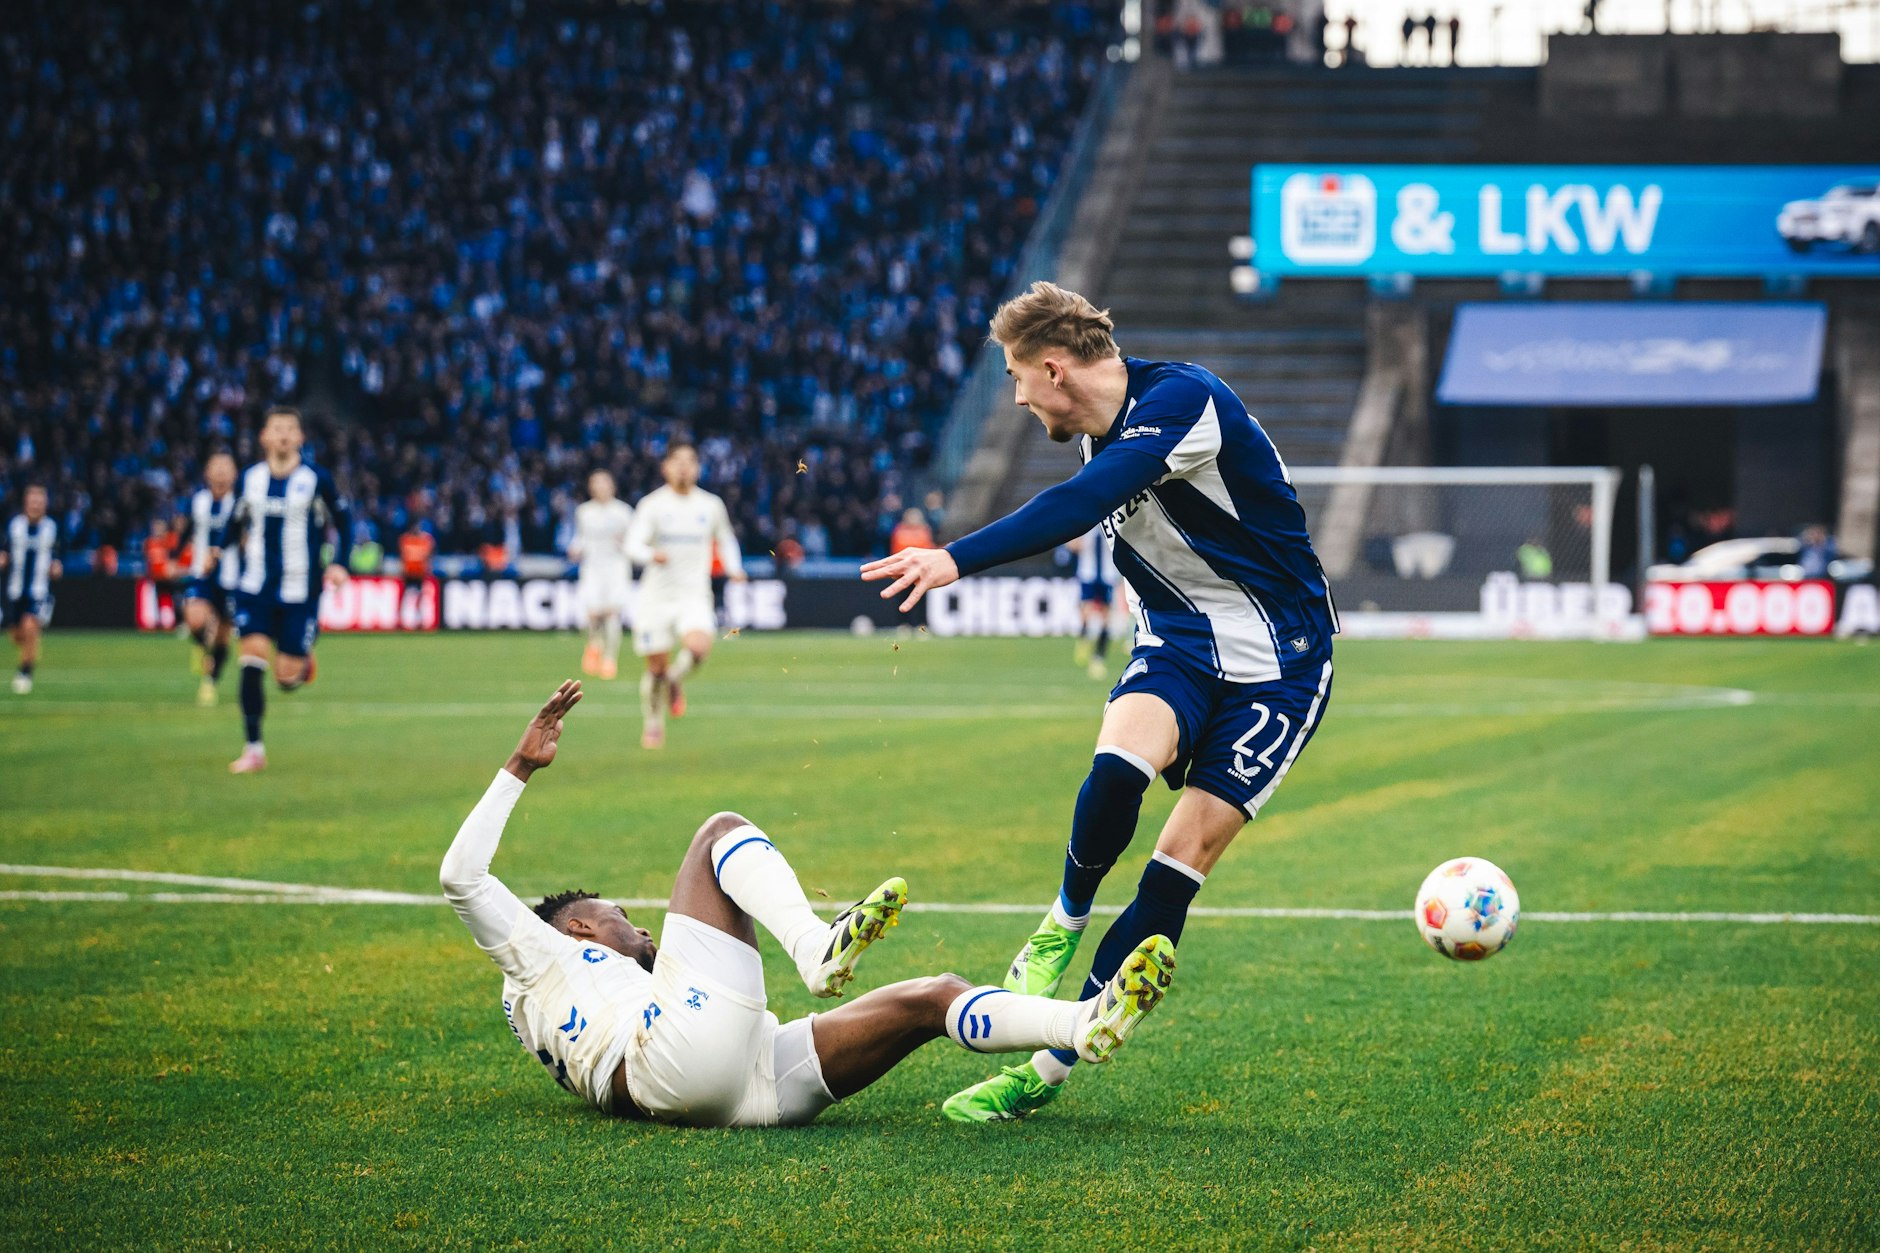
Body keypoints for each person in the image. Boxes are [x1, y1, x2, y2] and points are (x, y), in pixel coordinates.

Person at [863, 281, 1337, 1121]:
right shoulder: (1094, 429)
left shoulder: (1183, 400)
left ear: (1053, 368)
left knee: (1175, 866)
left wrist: (954, 558)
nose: (1013, 397)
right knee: (1117, 765)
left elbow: (1075, 508)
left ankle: (1042, 1067)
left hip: (1282, 662)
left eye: (1015, 376)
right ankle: (1062, 919)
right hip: (1181, 641)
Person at [440, 680, 1178, 1127]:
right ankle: (814, 947)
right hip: (667, 1055)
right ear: (576, 927)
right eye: (615, 916)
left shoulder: (553, 997)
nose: (634, 923)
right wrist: (519, 765)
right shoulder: (538, 957)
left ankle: (1082, 1023)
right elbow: (461, 876)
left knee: (931, 997)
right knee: (717, 834)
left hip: (738, 1079)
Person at [223, 406, 352, 774]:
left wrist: (340, 561)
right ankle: (253, 748)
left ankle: (302, 659)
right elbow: (235, 521)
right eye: (275, 428)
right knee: (251, 659)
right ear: (264, 437)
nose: (282, 435)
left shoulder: (316, 478)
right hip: (255, 586)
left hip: (301, 589)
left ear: (299, 438)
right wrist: (218, 549)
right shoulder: (250, 479)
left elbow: (343, 519)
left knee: (286, 678)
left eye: (289, 429)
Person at [624, 444, 745, 749]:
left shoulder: (710, 505)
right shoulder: (652, 505)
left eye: (690, 461)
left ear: (698, 468)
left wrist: (734, 567)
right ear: (665, 467)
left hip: (694, 594)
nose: (683, 467)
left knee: (699, 646)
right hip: (657, 597)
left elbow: (726, 538)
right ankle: (653, 723)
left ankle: (676, 679)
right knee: (655, 668)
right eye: (677, 461)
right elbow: (632, 545)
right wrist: (652, 554)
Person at [176, 452, 241, 707]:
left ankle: (210, 681)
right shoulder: (198, 501)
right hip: (201, 573)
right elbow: (189, 530)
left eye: (227, 467)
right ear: (207, 473)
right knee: (195, 620)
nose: (221, 472)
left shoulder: (239, 503)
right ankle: (202, 647)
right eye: (216, 467)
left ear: (235, 475)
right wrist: (175, 556)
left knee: (224, 635)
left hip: (231, 576)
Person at [568, 471, 635, 680]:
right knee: (593, 613)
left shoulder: (623, 512)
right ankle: (594, 643)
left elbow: (634, 541)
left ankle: (609, 659)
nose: (601, 487)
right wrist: (575, 549)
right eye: (596, 483)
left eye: (604, 483)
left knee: (613, 613)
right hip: (593, 568)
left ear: (612, 486)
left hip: (616, 567)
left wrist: (624, 544)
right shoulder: (584, 512)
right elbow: (580, 538)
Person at [3, 485, 61, 696]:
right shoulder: (14, 526)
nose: (36, 505)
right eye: (32, 500)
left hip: (39, 590)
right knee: (17, 635)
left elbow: (59, 554)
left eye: (39, 501)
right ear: (26, 503)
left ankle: (25, 672)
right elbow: (6, 550)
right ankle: (29, 650)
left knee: (30, 625)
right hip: (14, 590)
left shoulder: (52, 528)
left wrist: (56, 567)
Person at [1065, 527, 1122, 680]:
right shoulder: (1087, 523)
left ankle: (1098, 658)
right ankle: (1084, 638)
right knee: (1086, 610)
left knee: (1106, 616)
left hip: (1108, 575)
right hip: (1088, 574)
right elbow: (1071, 544)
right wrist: (1076, 544)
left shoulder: (1112, 522)